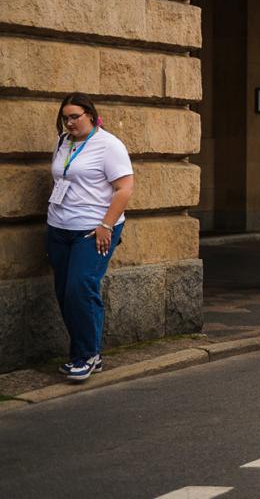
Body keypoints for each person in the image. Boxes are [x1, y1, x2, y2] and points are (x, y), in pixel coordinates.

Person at [46, 94, 134, 381]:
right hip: (59, 227)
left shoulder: (109, 145)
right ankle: (86, 353)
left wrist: (106, 226)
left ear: (91, 116)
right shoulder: (63, 142)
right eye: (65, 118)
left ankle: (86, 355)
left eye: (75, 117)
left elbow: (124, 189)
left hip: (94, 229)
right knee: (65, 291)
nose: (69, 122)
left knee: (80, 288)